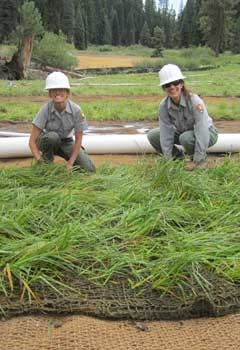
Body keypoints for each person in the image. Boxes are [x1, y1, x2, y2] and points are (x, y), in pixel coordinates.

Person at [147, 64, 218, 167]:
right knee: (153, 135)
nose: (172, 87)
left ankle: (200, 160)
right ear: (164, 88)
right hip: (183, 133)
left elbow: (201, 129)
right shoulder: (164, 106)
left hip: (207, 133)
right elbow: (165, 133)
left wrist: (198, 159)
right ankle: (177, 158)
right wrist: (168, 160)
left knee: (186, 138)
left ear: (181, 84)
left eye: (175, 83)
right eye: (167, 85)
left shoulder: (195, 102)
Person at [29, 71, 96, 172]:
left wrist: (70, 163)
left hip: (67, 142)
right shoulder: (45, 109)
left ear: (67, 93)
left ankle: (70, 166)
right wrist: (40, 161)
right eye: (54, 90)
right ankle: (47, 163)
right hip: (48, 141)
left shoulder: (76, 110)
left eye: (61, 90)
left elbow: (78, 139)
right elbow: (32, 142)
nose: (57, 93)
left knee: (89, 169)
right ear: (49, 94)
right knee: (52, 137)